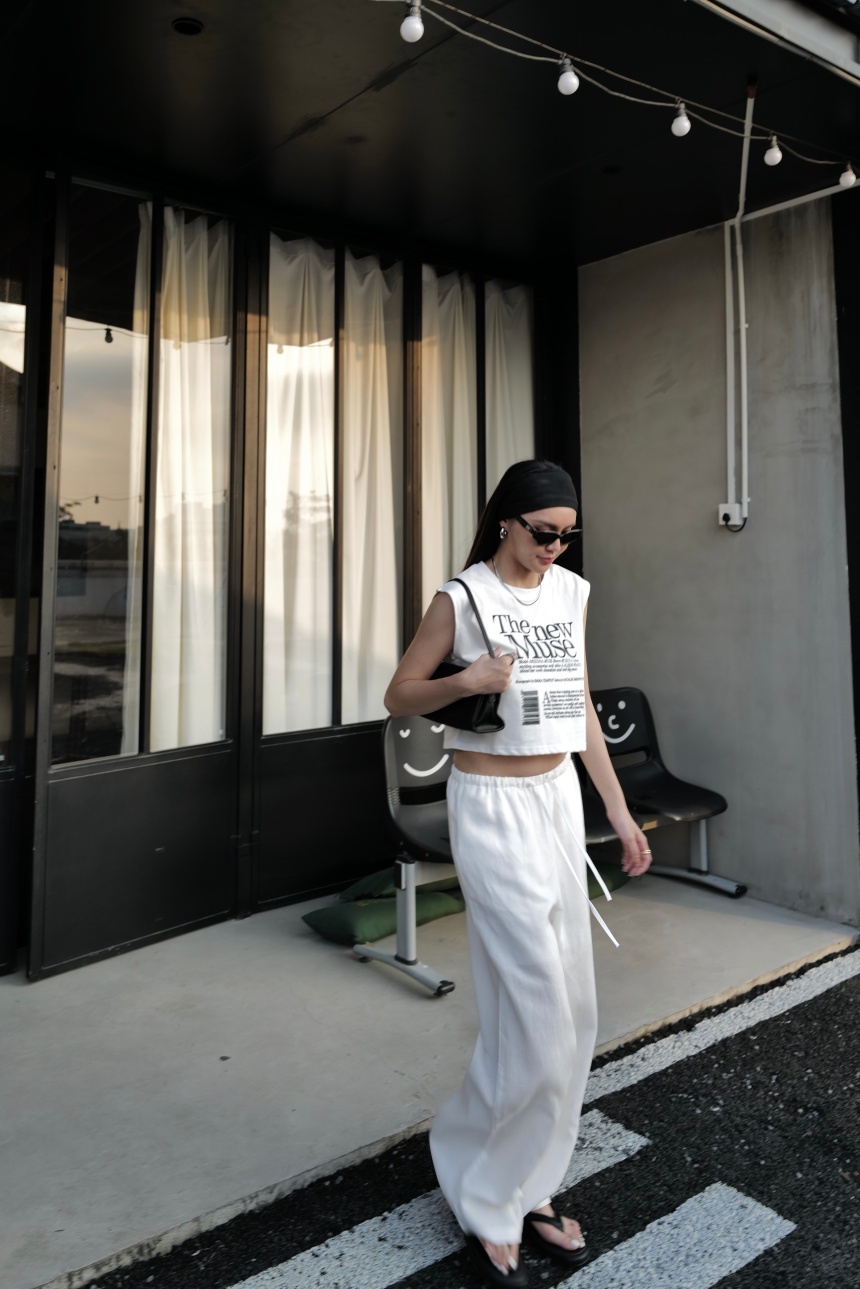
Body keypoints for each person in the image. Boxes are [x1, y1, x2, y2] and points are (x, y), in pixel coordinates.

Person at [384, 459, 652, 1287]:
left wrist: (616, 810)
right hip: (491, 808)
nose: (554, 548)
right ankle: (490, 1197)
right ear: (507, 519)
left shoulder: (571, 593)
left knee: (573, 1011)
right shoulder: (461, 598)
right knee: (536, 1014)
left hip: (556, 800)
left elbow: (579, 707)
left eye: (567, 536)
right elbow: (400, 694)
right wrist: (467, 680)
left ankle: (527, 1180)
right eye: (543, 533)